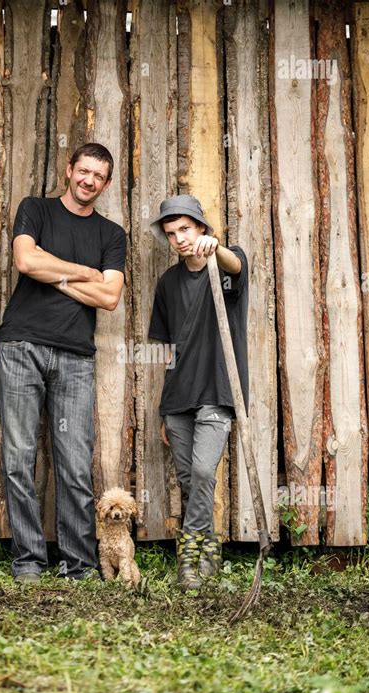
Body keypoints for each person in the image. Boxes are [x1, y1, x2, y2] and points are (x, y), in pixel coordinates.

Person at [0, 143, 126, 585]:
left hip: (75, 356)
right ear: (69, 169)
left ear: (106, 184)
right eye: (83, 171)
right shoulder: (36, 209)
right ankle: (29, 560)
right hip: (21, 347)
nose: (89, 181)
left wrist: (58, 274)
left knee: (74, 463)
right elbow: (25, 259)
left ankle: (79, 564)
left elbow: (110, 297)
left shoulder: (111, 235)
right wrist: (85, 273)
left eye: (99, 176)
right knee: (18, 457)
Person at [148, 195, 249, 590]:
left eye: (185, 229)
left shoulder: (224, 265)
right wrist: (163, 410)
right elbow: (171, 350)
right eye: (171, 233)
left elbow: (237, 265)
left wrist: (217, 249)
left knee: (205, 471)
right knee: (191, 481)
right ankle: (209, 549)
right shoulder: (168, 283)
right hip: (178, 398)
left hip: (217, 391)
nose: (179, 239)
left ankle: (188, 556)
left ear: (201, 228)